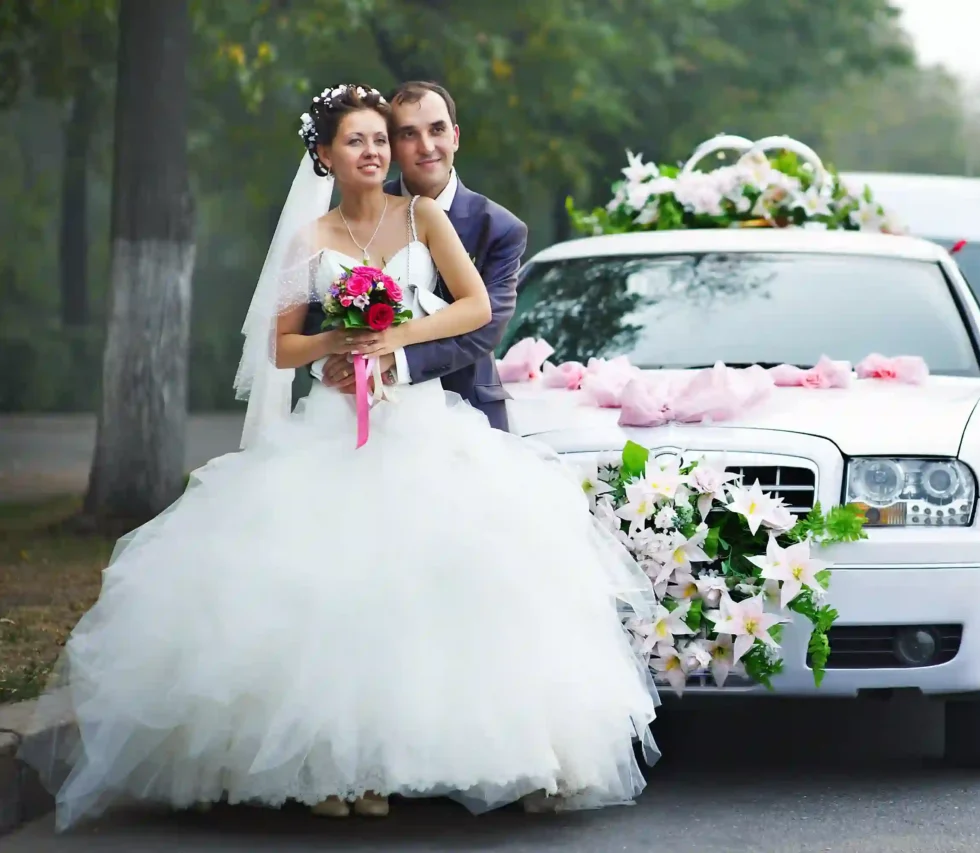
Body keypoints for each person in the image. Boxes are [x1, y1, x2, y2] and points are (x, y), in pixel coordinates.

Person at [22, 83, 661, 831]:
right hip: (333, 425)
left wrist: (392, 337)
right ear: (324, 155)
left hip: (421, 424)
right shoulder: (309, 241)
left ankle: (414, 758)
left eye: (379, 141)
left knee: (428, 586)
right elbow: (282, 342)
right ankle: (329, 766)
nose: (376, 152)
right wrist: (336, 340)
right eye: (358, 141)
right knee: (328, 585)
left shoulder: (421, 216)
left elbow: (475, 308)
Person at [309, 80, 525, 432]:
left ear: (455, 136)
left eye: (437, 130)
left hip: (468, 411)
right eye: (408, 134)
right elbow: (318, 305)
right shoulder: (361, 208)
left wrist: (394, 359)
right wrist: (337, 361)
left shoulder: (499, 228)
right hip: (364, 411)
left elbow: (485, 327)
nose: (426, 146)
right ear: (392, 145)